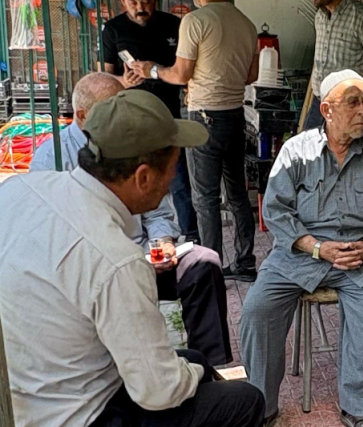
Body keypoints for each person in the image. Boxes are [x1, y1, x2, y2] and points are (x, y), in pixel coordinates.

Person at [0, 90, 265, 427]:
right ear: (143, 177)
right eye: (172, 168)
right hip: (78, 416)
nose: (173, 180)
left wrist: (192, 368)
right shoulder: (116, 260)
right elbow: (159, 392)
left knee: (193, 359)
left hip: (24, 392)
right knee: (244, 400)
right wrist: (196, 373)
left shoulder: (18, 190)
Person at [30, 72, 233, 365]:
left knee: (203, 263)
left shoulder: (131, 140)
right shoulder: (52, 158)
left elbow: (157, 210)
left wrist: (161, 242)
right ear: (83, 116)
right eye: (110, 109)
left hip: (143, 255)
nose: (122, 115)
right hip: (97, 272)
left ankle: (211, 364)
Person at [240, 70, 363, 427]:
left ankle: (358, 408)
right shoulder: (296, 151)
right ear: (326, 110)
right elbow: (275, 211)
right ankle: (260, 406)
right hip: (302, 253)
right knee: (257, 308)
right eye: (353, 103)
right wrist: (317, 247)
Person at [131, 0, 259, 282]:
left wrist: (152, 70)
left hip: (204, 117)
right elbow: (251, 75)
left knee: (205, 198)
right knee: (237, 194)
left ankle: (211, 268)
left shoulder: (195, 20)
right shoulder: (245, 22)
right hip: (235, 115)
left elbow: (180, 75)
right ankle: (245, 263)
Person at [102, 0, 199, 243]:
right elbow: (104, 77)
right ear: (122, 1)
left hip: (168, 113)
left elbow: (185, 69)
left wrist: (158, 71)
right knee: (134, 176)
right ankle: (133, 238)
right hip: (130, 116)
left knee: (179, 180)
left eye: (145, 1)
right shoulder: (113, 29)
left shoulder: (173, 24)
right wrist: (123, 81)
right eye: (133, 2)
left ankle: (191, 236)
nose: (140, 8)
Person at [303, 0, 363, 129]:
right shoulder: (320, 17)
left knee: (347, 144)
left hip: (348, 108)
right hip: (319, 103)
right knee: (308, 143)